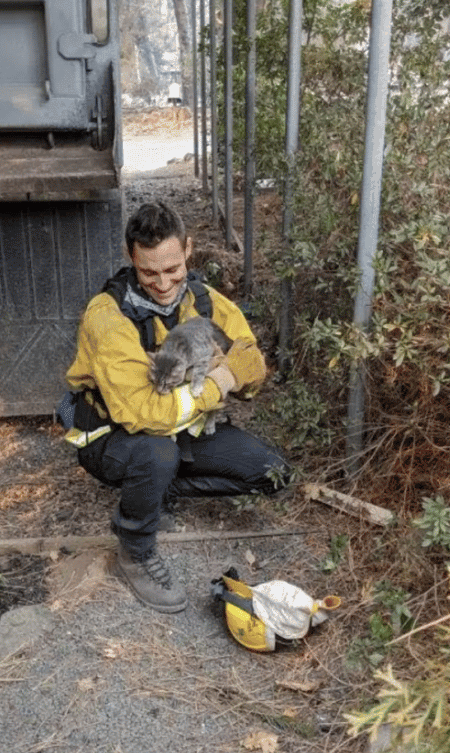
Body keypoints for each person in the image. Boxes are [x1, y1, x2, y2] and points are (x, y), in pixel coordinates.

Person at [62, 200, 291, 613]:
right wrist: (223, 378)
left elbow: (253, 368)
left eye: (172, 270)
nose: (163, 284)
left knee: (272, 473)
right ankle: (134, 549)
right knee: (156, 450)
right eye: (149, 273)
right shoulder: (108, 317)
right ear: (130, 258)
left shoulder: (207, 302)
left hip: (186, 425)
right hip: (115, 436)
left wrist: (241, 373)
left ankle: (161, 488)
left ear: (188, 249)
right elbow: (146, 415)